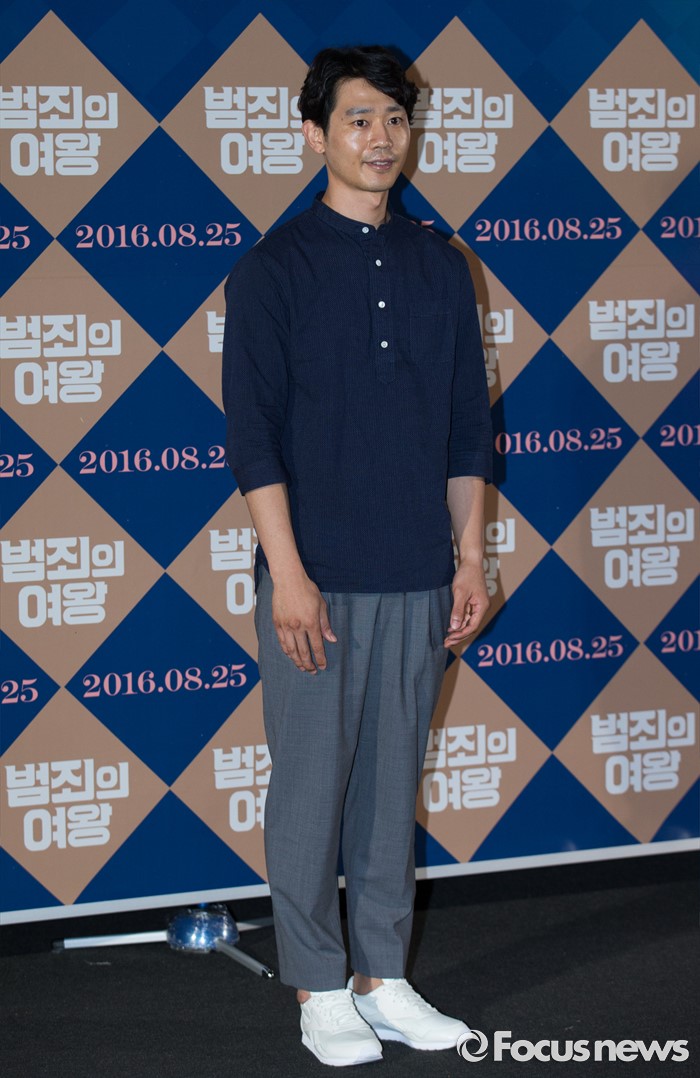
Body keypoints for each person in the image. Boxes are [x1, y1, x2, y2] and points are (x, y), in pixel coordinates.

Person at [222, 44, 493, 1068]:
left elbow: (466, 429)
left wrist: (469, 558)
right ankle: (317, 985)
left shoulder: (439, 264)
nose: (381, 139)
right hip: (317, 578)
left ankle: (383, 976)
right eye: (359, 119)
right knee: (309, 791)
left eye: (395, 119)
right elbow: (253, 437)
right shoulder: (273, 268)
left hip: (419, 571)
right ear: (315, 134)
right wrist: (288, 575)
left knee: (389, 791)